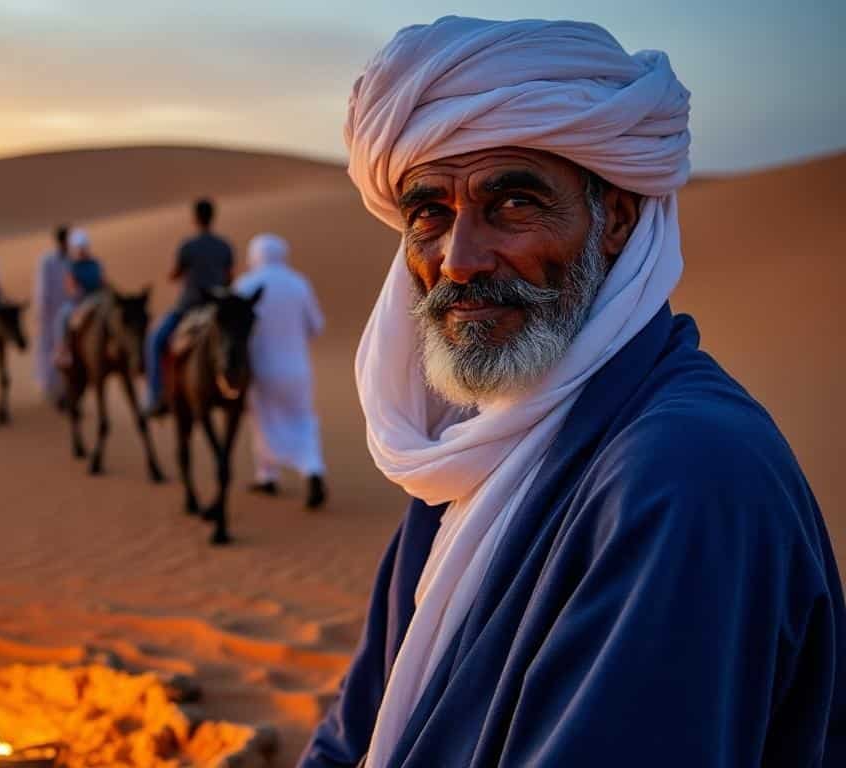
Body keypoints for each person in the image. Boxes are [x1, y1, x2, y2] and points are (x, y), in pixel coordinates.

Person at [299, 17, 845, 768]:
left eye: (513, 204)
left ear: (614, 218)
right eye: (429, 212)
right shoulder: (474, 449)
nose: (459, 261)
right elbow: (354, 734)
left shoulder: (682, 474)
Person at [233, 234, 327, 508]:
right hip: (297, 368)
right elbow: (316, 326)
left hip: (262, 369)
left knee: (263, 423)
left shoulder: (245, 285)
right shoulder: (299, 284)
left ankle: (269, 475)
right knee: (303, 420)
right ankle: (310, 469)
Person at [145, 198, 233, 416]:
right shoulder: (224, 246)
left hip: (189, 307)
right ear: (213, 217)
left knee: (155, 341)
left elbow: (175, 274)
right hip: (217, 308)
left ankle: (156, 397)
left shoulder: (188, 246)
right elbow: (229, 278)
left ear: (195, 218)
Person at [52, 228, 105, 370]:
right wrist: (77, 292)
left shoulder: (95, 263)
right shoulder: (73, 266)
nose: (81, 250)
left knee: (63, 315)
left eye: (83, 247)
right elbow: (70, 287)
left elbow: (101, 282)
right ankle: (64, 349)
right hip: (80, 300)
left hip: (96, 299)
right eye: (79, 248)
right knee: (63, 316)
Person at [34, 225, 72, 403]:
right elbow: (42, 288)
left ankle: (68, 386)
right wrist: (42, 310)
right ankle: (52, 387)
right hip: (51, 312)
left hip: (70, 310)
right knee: (50, 349)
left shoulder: (73, 259)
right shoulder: (47, 261)